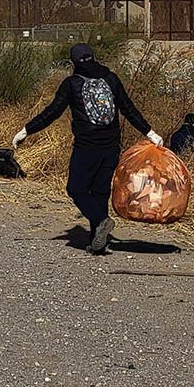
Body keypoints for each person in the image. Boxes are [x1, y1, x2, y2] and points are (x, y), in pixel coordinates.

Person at [13, 43, 163, 254]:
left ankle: (101, 221)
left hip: (86, 146)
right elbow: (128, 109)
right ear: (94, 58)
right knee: (100, 191)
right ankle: (96, 240)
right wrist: (150, 133)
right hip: (111, 145)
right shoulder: (111, 79)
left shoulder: (72, 83)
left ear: (73, 63)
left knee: (76, 188)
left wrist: (27, 130)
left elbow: (53, 112)